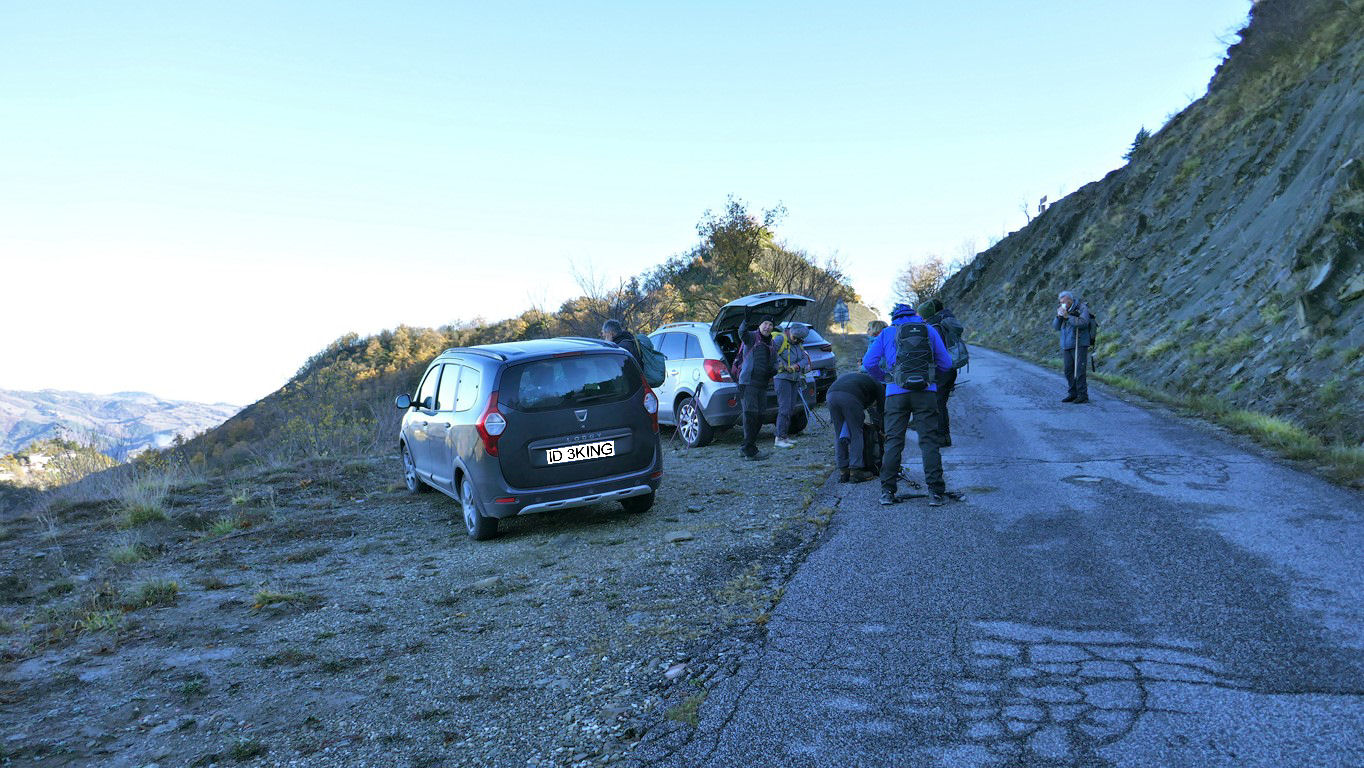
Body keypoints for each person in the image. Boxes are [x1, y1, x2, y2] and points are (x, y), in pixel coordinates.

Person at [862, 303, 955, 506]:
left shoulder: (887, 332)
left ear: (894, 317)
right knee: (929, 441)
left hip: (896, 394)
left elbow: (868, 363)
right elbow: (947, 364)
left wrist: (885, 378)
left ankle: (887, 492)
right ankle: (935, 493)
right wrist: (931, 378)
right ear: (915, 314)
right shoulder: (928, 330)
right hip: (926, 393)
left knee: (893, 441)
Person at [827, 370, 881, 483]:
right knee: (856, 433)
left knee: (839, 433)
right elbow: (882, 411)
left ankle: (843, 470)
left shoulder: (861, 380)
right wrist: (883, 429)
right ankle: (856, 471)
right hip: (850, 397)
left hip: (831, 395)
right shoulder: (879, 387)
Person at [918, 298, 959, 447]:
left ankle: (942, 437)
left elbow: (935, 351)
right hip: (949, 369)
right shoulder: (941, 322)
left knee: (938, 403)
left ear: (926, 314)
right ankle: (942, 435)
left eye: (921, 314)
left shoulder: (934, 327)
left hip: (942, 369)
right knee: (940, 402)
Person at [737, 318, 776, 460]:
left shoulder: (772, 342)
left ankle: (745, 447)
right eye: (765, 323)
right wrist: (745, 321)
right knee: (750, 416)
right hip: (748, 383)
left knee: (760, 416)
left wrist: (774, 370)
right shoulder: (752, 337)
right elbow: (742, 333)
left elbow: (775, 361)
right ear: (759, 325)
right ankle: (750, 451)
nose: (767, 327)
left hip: (762, 384)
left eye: (770, 324)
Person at [772, 324, 812, 448]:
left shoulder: (798, 344)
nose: (796, 341)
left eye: (799, 340)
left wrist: (796, 366)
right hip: (782, 378)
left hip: (794, 379)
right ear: (790, 333)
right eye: (795, 338)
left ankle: (784, 436)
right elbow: (772, 354)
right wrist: (784, 366)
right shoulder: (780, 339)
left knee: (790, 408)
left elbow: (805, 359)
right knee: (784, 408)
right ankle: (779, 438)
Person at [1053, 291, 1093, 404]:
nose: (1063, 304)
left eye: (1064, 302)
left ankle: (1083, 395)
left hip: (1079, 344)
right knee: (1068, 370)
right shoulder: (1062, 310)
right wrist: (1059, 317)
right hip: (1066, 344)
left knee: (1079, 370)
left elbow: (1083, 323)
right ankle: (1073, 393)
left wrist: (1068, 316)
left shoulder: (1082, 308)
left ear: (1070, 300)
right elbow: (1056, 327)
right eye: (1061, 302)